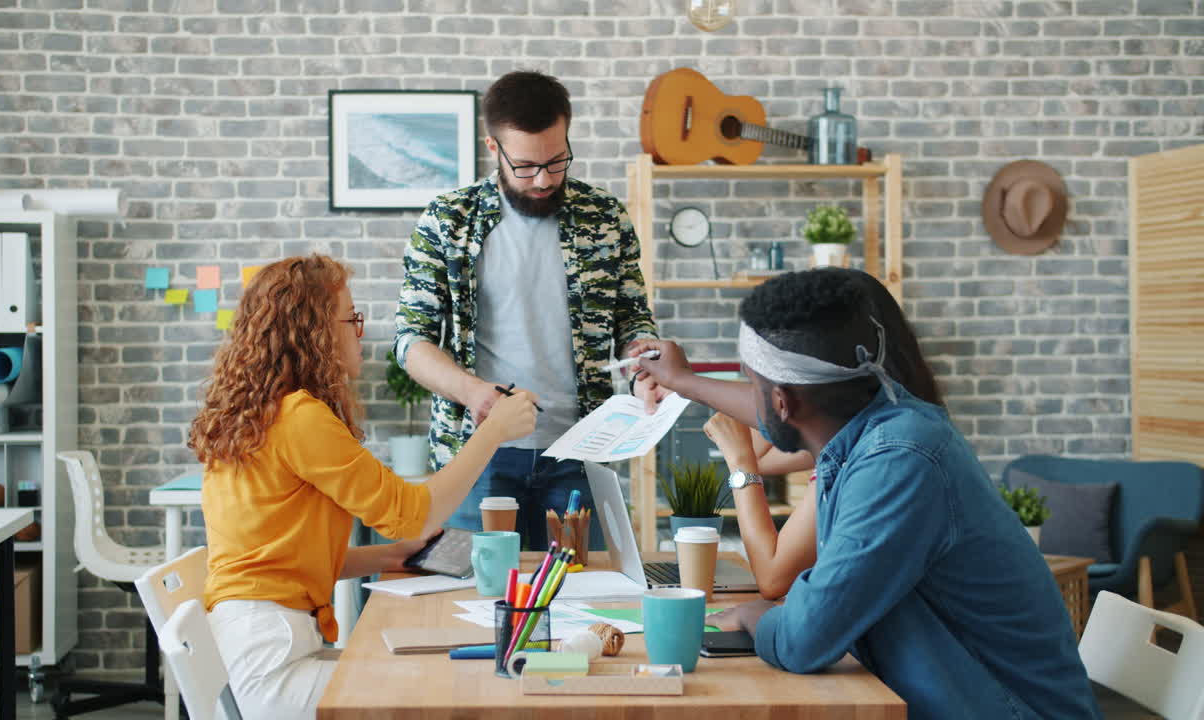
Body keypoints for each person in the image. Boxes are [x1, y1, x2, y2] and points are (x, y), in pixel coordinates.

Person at [645, 269, 1101, 719]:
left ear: (783, 400)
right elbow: (780, 404)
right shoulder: (882, 421)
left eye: (752, 382)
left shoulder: (897, 464)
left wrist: (752, 616)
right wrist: (683, 380)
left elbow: (803, 639)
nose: (750, 400)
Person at [189, 255, 538, 719]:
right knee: (446, 693)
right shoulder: (299, 418)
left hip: (257, 647)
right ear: (314, 331)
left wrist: (389, 557)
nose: (360, 331)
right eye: (351, 318)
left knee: (434, 679)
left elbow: (281, 559)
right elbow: (415, 515)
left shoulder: (260, 415)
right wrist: (492, 432)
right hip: (272, 666)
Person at [394, 70, 663, 550]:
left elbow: (632, 319)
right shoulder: (449, 220)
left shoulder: (604, 217)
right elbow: (412, 341)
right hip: (477, 456)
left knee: (582, 588)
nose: (543, 179)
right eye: (525, 166)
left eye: (556, 161)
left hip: (581, 452)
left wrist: (644, 363)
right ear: (493, 148)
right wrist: (474, 393)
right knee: (473, 588)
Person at [632, 269, 945, 600]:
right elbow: (765, 451)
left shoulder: (874, 450)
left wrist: (740, 464)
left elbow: (773, 578)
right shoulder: (878, 418)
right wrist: (685, 382)